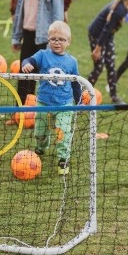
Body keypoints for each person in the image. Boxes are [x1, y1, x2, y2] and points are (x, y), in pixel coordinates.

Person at [20, 21, 80, 176]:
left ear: (68, 42)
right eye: (53, 39)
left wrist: (79, 102)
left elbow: (75, 84)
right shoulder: (42, 55)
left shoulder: (72, 62)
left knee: (63, 132)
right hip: (44, 104)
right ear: (48, 40)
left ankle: (63, 159)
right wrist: (26, 64)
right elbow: (28, 61)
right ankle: (41, 147)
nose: (57, 42)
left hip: (64, 105)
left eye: (61, 39)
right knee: (39, 132)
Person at [11, 0, 65, 105]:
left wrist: (55, 41)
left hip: (44, 38)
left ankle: (45, 111)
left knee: (45, 77)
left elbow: (57, 16)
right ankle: (20, 113)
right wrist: (16, 38)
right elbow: (20, 14)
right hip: (28, 36)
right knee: (25, 76)